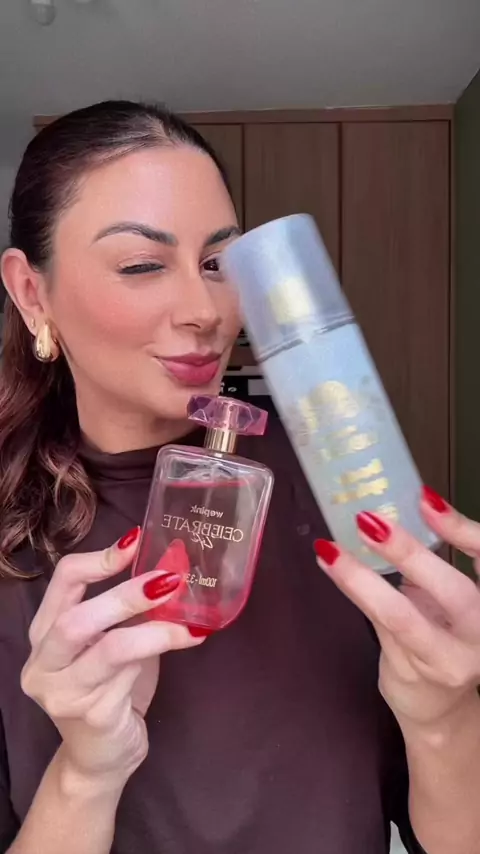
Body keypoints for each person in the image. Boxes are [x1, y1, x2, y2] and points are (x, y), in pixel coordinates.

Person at [0, 100, 478, 854]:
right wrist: (87, 772)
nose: (207, 311)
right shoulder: (11, 537)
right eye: (142, 264)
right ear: (32, 292)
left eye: (220, 264)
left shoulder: (334, 469)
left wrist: (445, 717)